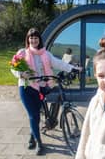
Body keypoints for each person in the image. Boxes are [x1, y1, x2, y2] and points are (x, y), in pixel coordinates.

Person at [10, 28, 82, 156]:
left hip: (41, 87)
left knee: (36, 114)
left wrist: (73, 68)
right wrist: (21, 74)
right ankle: (39, 142)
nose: (33, 40)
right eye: (31, 38)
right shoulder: (22, 52)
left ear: (39, 40)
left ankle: (32, 137)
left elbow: (59, 63)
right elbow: (13, 67)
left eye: (36, 38)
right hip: (26, 88)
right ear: (28, 39)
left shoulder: (46, 54)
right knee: (34, 116)